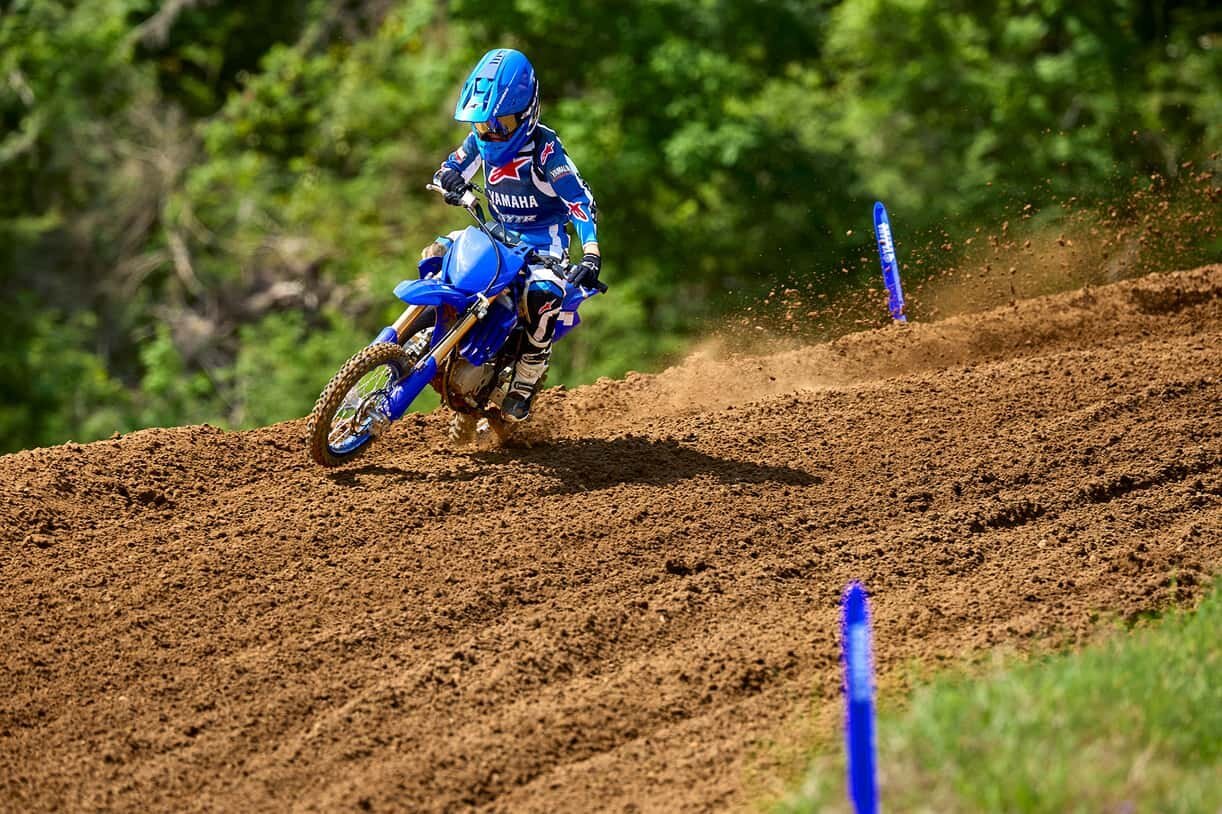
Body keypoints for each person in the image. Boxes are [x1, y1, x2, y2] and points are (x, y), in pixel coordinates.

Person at [424, 48, 601, 422]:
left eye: (501, 123)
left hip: (543, 244)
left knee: (543, 295)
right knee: (437, 252)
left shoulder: (546, 151)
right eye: (484, 124)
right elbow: (449, 168)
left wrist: (590, 253)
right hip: (496, 234)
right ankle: (431, 328)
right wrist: (450, 180)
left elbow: (580, 202)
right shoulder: (480, 139)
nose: (491, 133)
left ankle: (525, 379)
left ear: (526, 112)